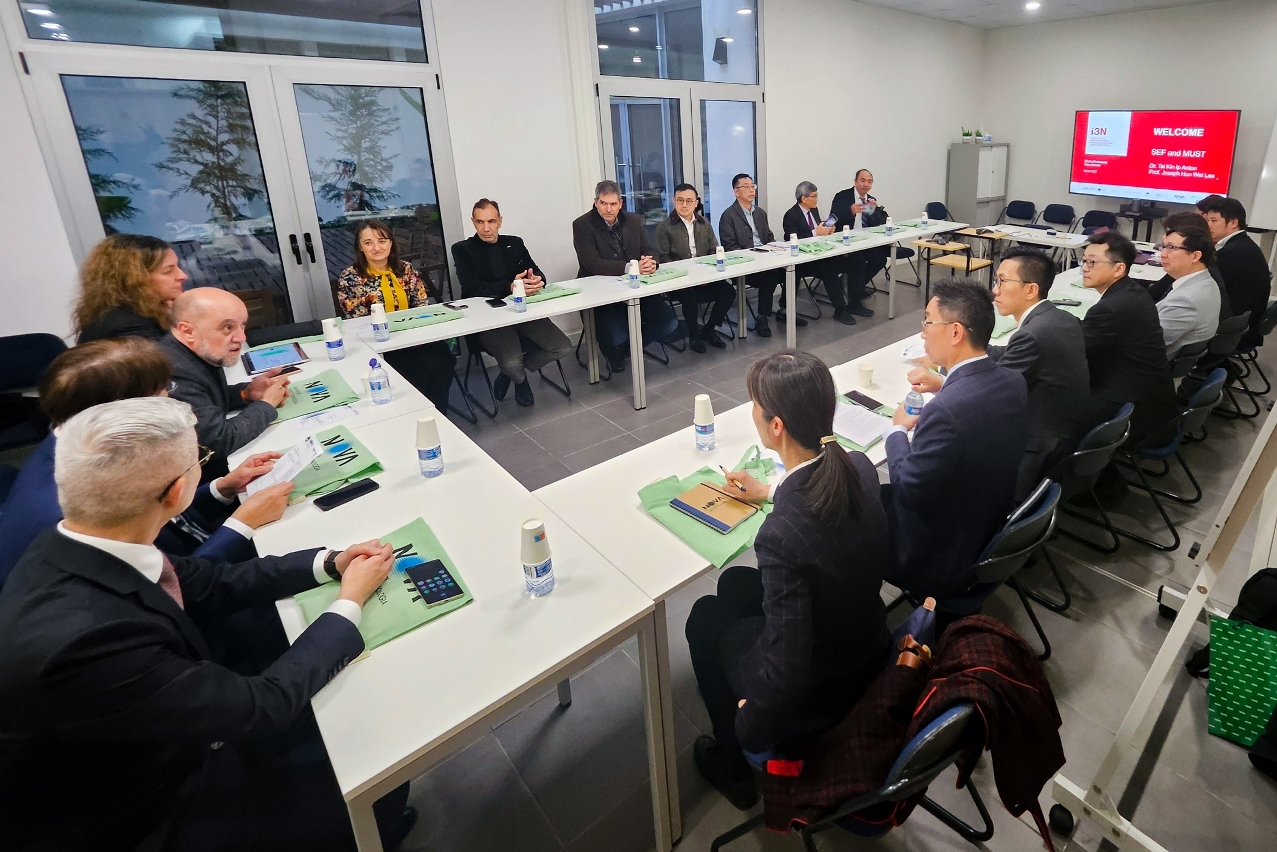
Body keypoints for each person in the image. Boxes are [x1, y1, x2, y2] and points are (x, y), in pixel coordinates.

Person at [0, 396, 416, 852]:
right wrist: (348, 603)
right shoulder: (87, 643)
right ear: (177, 491)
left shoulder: (79, 540)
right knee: (381, 763)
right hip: (144, 814)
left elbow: (211, 581)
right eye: (199, 458)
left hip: (148, 744)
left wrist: (330, 563)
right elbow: (260, 707)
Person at [685, 351, 891, 810]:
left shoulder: (782, 534)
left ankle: (733, 762)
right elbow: (814, 494)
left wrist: (749, 724)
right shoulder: (858, 466)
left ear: (776, 425)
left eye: (754, 406)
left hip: (820, 691)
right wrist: (768, 490)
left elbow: (786, 675)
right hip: (867, 645)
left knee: (705, 617)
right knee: (735, 585)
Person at [0, 338, 292, 587]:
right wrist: (241, 524)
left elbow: (162, 515)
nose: (173, 404)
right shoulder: (78, 506)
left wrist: (222, 488)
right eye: (162, 397)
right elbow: (169, 586)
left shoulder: (82, 449)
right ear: (123, 413)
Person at [884, 279, 1028, 611]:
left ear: (955, 332)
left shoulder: (946, 411)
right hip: (986, 526)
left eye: (927, 322)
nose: (922, 333)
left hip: (938, 553)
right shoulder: (1013, 381)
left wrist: (896, 430)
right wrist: (945, 386)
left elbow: (908, 490)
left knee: (857, 502)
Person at [907, 248, 1089, 501]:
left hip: (1040, 444)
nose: (995, 290)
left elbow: (992, 392)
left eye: (1002, 281)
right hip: (1067, 430)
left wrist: (943, 381)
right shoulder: (1058, 317)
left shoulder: (1031, 335)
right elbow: (1007, 354)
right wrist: (959, 353)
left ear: (1030, 290)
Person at [451, 199, 573, 406]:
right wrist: (510, 286)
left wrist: (537, 280)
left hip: (522, 312)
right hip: (488, 318)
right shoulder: (463, 249)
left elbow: (535, 270)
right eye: (480, 222)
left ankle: (511, 373)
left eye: (491, 221)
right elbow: (471, 287)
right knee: (510, 362)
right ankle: (520, 380)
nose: (486, 228)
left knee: (562, 347)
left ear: (500, 221)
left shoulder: (514, 243)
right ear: (473, 222)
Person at [161, 288, 291, 479]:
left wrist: (245, 393)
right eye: (227, 328)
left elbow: (205, 399)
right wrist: (266, 405)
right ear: (187, 331)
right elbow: (218, 440)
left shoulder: (192, 351)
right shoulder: (172, 371)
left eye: (242, 325)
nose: (242, 338)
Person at [336, 219, 457, 410]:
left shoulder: (406, 269)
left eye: (382, 241)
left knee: (443, 360)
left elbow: (421, 305)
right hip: (381, 345)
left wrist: (414, 334)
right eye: (368, 243)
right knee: (410, 372)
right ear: (360, 247)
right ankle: (414, 412)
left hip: (414, 338)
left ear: (391, 243)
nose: (377, 247)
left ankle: (437, 413)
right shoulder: (350, 277)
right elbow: (357, 319)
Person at [1078, 231, 1177, 443]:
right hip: (1151, 394)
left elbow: (1074, 350)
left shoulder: (1110, 308)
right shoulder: (1134, 291)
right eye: (1084, 261)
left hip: (1135, 409)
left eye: (1092, 262)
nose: (1085, 268)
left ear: (1119, 268)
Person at [572, 180, 679, 372]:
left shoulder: (633, 221)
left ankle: (623, 351)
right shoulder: (582, 225)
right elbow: (592, 263)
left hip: (636, 288)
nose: (608, 209)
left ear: (620, 203)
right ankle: (614, 349)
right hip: (603, 293)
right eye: (603, 203)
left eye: (613, 204)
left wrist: (651, 262)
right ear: (596, 202)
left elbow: (649, 249)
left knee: (669, 322)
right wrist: (632, 267)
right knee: (617, 335)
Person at [718, 173, 805, 338]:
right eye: (746, 187)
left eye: (753, 186)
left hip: (767, 260)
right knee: (769, 277)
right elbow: (730, 248)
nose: (751, 190)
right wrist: (758, 257)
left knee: (794, 270)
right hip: (746, 266)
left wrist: (776, 250)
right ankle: (762, 317)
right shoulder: (728, 216)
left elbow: (769, 237)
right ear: (736, 192)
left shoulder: (760, 213)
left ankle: (785, 311)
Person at [653, 184, 735, 352]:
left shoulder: (704, 223)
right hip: (679, 281)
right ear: (674, 201)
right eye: (680, 200)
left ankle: (709, 329)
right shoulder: (664, 227)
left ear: (696, 203)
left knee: (729, 292)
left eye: (689, 201)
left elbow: (714, 251)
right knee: (689, 296)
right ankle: (694, 335)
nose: (684, 205)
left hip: (705, 277)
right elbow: (664, 259)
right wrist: (692, 277)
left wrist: (706, 275)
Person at [74, 233, 188, 343]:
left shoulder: (149, 312)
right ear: (134, 279)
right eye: (168, 271)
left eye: (178, 267)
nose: (183, 276)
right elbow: (174, 354)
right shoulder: (127, 326)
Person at [782, 181, 856, 325]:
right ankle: (840, 309)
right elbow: (792, 240)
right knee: (829, 269)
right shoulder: (791, 215)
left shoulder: (814, 210)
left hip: (819, 254)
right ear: (804, 198)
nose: (817, 199)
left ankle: (855, 300)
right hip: (802, 260)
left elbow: (817, 231)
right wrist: (816, 232)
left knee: (851, 260)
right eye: (814, 196)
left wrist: (826, 230)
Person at [1202, 196, 1272, 347]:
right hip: (1247, 324)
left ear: (1233, 223)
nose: (1208, 225)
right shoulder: (1244, 244)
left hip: (1235, 332)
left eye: (1213, 220)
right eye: (1207, 220)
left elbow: (1207, 289)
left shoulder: (1231, 252)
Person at [1143, 211, 1230, 316]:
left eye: (1171, 246)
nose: (1163, 254)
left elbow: (1150, 297)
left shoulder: (1189, 294)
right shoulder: (1201, 268)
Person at [829, 169, 889, 317]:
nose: (865, 184)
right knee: (858, 262)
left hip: (865, 241)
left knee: (880, 259)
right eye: (862, 180)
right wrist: (850, 211)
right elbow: (833, 218)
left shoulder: (871, 199)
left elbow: (877, 225)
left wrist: (873, 212)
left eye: (869, 181)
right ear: (855, 181)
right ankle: (854, 303)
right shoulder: (843, 197)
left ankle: (858, 287)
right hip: (846, 242)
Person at [1155, 223, 1221, 358]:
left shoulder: (1186, 300)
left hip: (1150, 364)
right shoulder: (1206, 282)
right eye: (1164, 247)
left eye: (1171, 248)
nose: (1163, 254)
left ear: (1195, 256)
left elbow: (1147, 342)